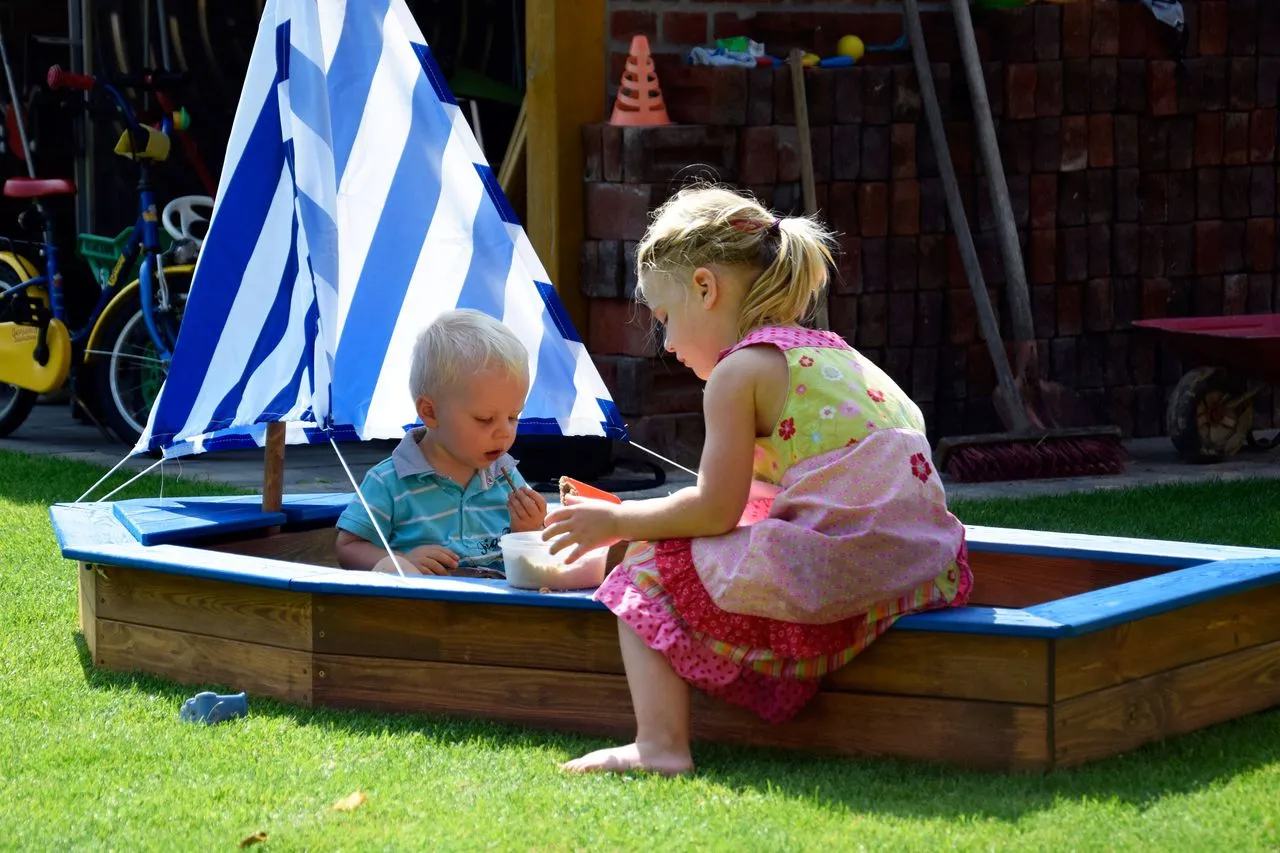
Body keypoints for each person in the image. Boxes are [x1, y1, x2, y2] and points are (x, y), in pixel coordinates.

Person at [543, 185, 971, 775]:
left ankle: (659, 745)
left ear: (704, 288)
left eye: (665, 319)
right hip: (926, 563)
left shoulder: (737, 373)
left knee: (648, 566)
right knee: (689, 546)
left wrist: (619, 522)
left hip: (845, 563)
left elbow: (716, 512)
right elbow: (763, 502)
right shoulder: (831, 352)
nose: (666, 345)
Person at [335, 309, 547, 575]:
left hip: (499, 611)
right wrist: (401, 559)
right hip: (425, 610)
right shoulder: (389, 482)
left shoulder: (508, 479)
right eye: (485, 419)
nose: (504, 432)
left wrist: (527, 531)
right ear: (430, 412)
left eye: (514, 417)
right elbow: (348, 547)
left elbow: (531, 559)